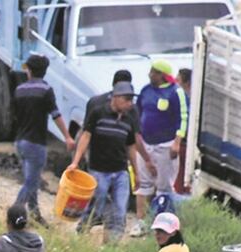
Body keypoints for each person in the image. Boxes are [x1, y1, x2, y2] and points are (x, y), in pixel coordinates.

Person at [68, 82, 143, 242]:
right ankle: (83, 229)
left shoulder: (129, 119)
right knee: (97, 205)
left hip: (120, 171)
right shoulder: (98, 113)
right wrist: (76, 161)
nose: (130, 104)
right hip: (99, 171)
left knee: (120, 210)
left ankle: (111, 246)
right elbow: (86, 136)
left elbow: (131, 147)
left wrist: (136, 172)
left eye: (131, 100)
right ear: (115, 98)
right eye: (127, 99)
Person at [12, 54, 75, 224]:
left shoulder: (19, 90)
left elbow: (15, 115)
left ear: (30, 71)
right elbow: (56, 115)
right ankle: (15, 213)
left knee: (30, 178)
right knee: (31, 183)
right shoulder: (46, 90)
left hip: (20, 141)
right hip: (36, 142)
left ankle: (35, 213)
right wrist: (67, 136)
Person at [136, 61, 188, 221]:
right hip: (146, 144)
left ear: (163, 75)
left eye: (154, 72)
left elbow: (183, 117)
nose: (150, 74)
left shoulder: (175, 92)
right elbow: (137, 114)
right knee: (143, 186)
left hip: (166, 145)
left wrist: (177, 142)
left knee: (164, 187)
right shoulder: (145, 91)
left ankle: (161, 221)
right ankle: (141, 221)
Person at [174, 68, 193, 195]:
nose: (175, 82)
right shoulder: (188, 98)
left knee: (179, 176)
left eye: (178, 80)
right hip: (185, 142)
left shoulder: (186, 100)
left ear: (186, 83)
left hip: (183, 143)